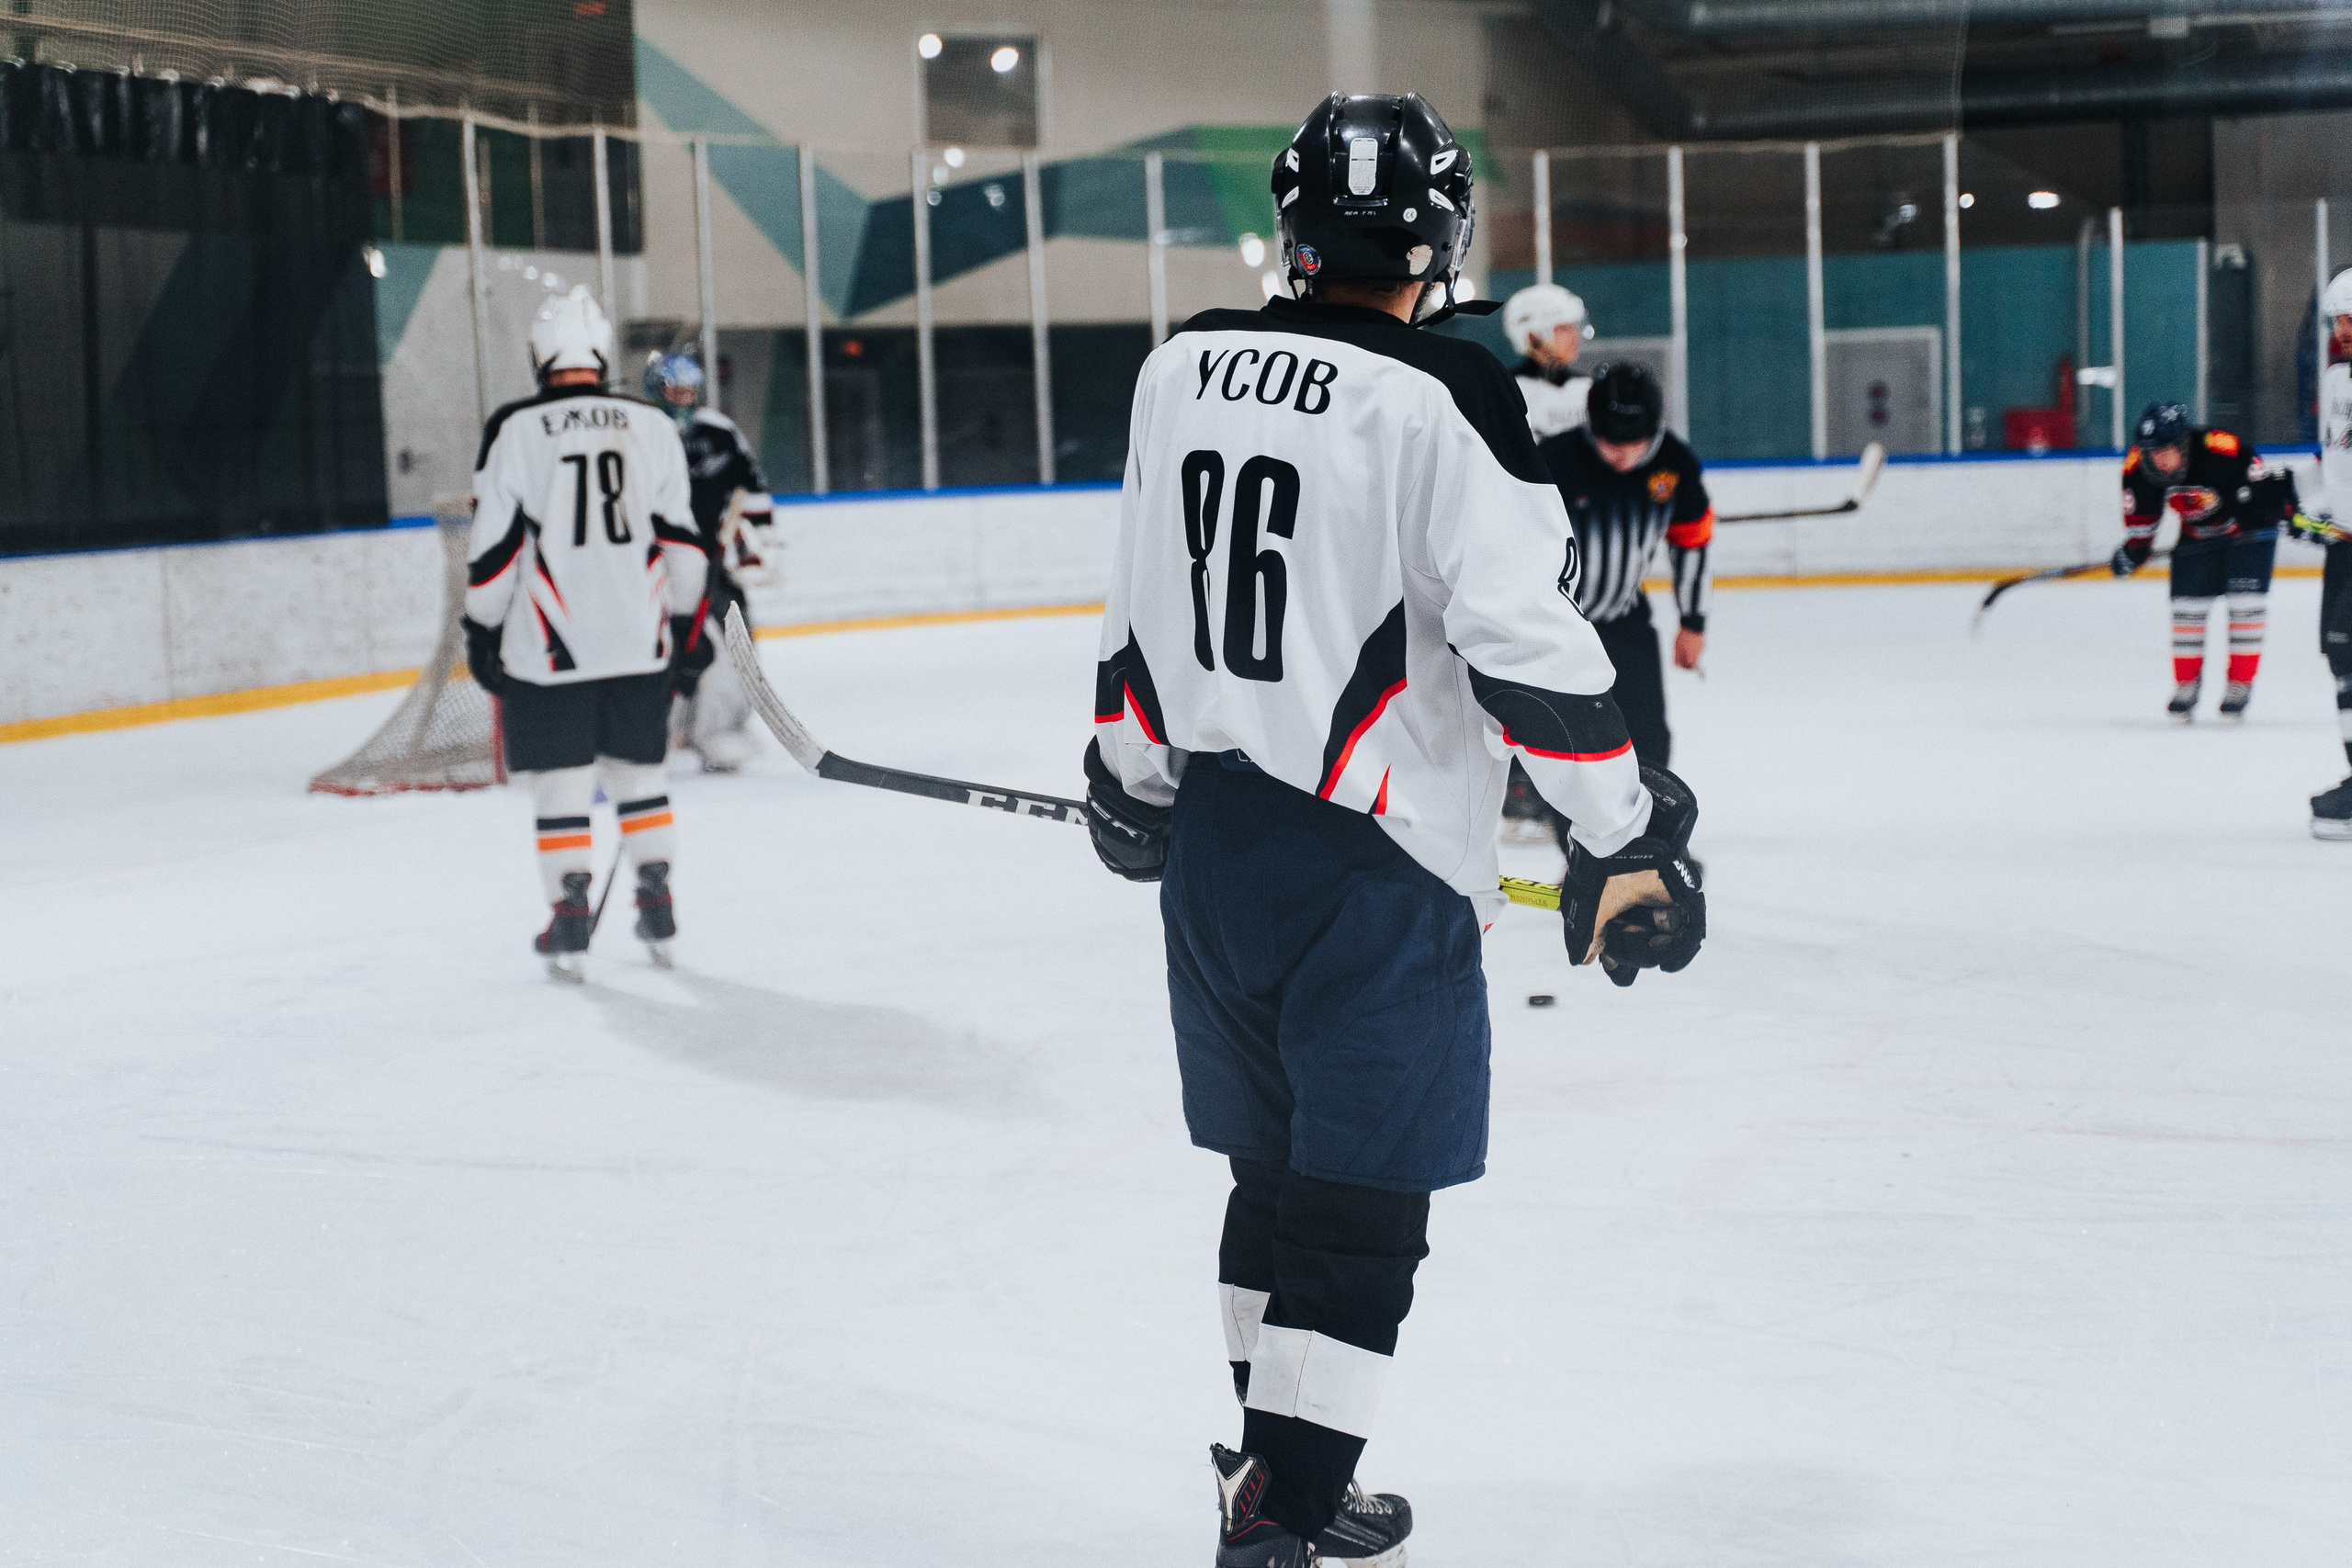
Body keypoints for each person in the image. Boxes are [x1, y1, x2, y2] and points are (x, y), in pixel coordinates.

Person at [1080, 92, 1706, 1568]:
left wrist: (1130, 773)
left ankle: (1267, 1468)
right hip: (1376, 872)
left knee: (1269, 1180)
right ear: (1442, 235)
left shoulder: (1180, 368)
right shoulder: (1454, 391)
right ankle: (1284, 1518)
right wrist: (1624, 831)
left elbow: (1138, 595)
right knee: (1363, 1211)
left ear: (1297, 226)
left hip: (1221, 853)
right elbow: (1527, 643)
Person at [460, 295, 709, 979]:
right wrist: (687, 627)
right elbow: (685, 545)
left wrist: (481, 629)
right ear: (600, 355)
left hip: (547, 648)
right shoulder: (652, 424)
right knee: (642, 777)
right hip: (639, 641)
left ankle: (570, 910)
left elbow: (494, 551)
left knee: (563, 785)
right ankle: (656, 895)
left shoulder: (514, 429)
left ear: (540, 357)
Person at [1537, 362, 1713, 775]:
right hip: (1555, 628)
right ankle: (1536, 802)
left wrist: (1693, 622)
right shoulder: (1552, 462)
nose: (1624, 454)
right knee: (1559, 732)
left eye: (1636, 442)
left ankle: (1651, 825)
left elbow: (1692, 544)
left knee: (1649, 733)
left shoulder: (1675, 463)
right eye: (1611, 440)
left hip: (1625, 620)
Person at [2111, 401, 2296, 722]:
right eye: (2152, 451)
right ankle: (2186, 685)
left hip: (2249, 533)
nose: (2159, 458)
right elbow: (2143, 522)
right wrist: (2134, 551)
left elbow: (2266, 497)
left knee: (2246, 604)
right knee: (2186, 607)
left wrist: (2268, 513)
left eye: (2166, 449)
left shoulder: (2222, 450)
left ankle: (2239, 684)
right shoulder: (2137, 468)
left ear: (2183, 442)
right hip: (2198, 534)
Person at [646, 350, 775, 772]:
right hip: (658, 565)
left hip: (716, 560)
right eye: (673, 389)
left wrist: (752, 545)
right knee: (660, 648)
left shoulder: (719, 432)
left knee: (737, 644)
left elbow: (751, 489)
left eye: (689, 390)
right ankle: (659, 734)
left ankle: (723, 731)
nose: (682, 397)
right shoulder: (639, 432)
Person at [2297, 269, 2352, 837]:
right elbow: (2336, 465)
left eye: (2350, 320)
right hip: (2345, 544)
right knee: (2339, 654)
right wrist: (2290, 498)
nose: (2342, 330)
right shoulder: (2339, 381)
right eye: (2338, 321)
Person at [1500, 282, 1594, 439]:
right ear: (1533, 336)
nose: (1574, 337)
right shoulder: (1509, 390)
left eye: (1575, 327)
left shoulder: (1588, 388)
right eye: (1563, 329)